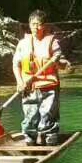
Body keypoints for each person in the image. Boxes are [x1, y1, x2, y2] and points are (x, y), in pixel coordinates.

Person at [12, 9, 68, 146]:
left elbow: (60, 62)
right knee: (30, 116)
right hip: (29, 87)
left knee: (47, 114)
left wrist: (61, 63)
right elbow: (16, 65)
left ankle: (49, 138)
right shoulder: (23, 43)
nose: (36, 28)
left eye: (39, 24)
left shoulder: (52, 42)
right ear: (29, 25)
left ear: (45, 26)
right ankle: (30, 139)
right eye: (33, 24)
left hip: (49, 86)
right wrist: (19, 82)